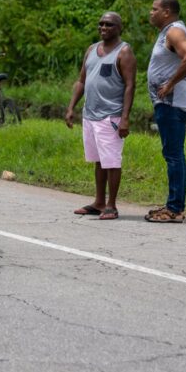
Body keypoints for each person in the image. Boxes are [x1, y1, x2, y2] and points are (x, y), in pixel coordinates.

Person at [65, 12, 137, 220]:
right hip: (90, 114)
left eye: (109, 24)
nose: (104, 27)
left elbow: (130, 86)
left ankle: (111, 206)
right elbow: (81, 80)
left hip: (110, 116)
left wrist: (125, 118)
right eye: (101, 24)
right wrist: (71, 108)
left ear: (119, 28)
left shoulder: (124, 52)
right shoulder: (91, 50)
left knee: (111, 161)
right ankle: (98, 202)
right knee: (99, 160)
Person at [144, 0, 186, 223]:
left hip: (172, 103)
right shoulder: (167, 32)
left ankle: (175, 208)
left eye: (154, 9)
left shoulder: (174, 31)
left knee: (174, 155)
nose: (151, 12)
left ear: (166, 12)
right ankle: (173, 204)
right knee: (173, 153)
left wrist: (169, 84)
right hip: (167, 103)